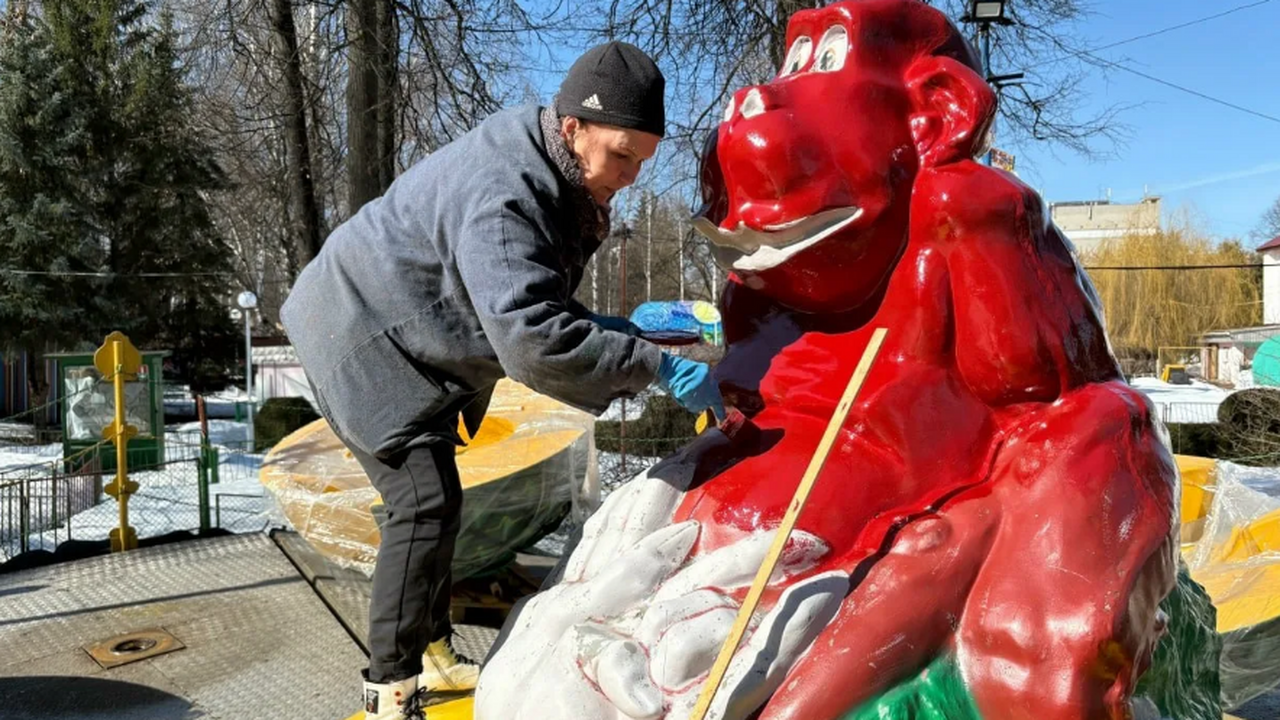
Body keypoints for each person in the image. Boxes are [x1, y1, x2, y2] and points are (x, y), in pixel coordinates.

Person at [280, 41, 725, 720]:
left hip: (394, 326)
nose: (631, 176)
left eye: (643, 159)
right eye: (623, 155)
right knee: (423, 501)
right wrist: (654, 364)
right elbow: (530, 338)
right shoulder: (508, 195)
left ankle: (428, 651)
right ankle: (388, 693)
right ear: (574, 128)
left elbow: (530, 299)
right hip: (358, 334)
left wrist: (628, 328)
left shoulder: (548, 163)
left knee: (437, 499)